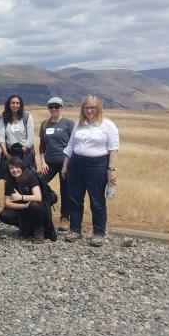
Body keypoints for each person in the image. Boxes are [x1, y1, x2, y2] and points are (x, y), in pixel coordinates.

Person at [62, 95, 119, 246]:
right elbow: (70, 145)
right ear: (83, 109)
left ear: (98, 108)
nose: (89, 110)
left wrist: (111, 169)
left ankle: (99, 233)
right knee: (74, 198)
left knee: (97, 200)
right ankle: (75, 230)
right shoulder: (78, 124)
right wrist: (65, 165)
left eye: (93, 107)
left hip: (97, 165)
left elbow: (113, 149)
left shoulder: (108, 125)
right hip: (76, 163)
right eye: (86, 107)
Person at [38, 97, 75, 231]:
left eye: (57, 106)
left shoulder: (69, 124)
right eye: (51, 106)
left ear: (61, 108)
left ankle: (65, 218)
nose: (54, 109)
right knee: (38, 183)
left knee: (66, 191)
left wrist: (66, 164)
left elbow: (72, 145)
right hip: (49, 162)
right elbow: (42, 146)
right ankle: (43, 212)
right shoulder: (44, 124)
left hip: (66, 162)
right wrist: (42, 162)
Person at [0, 157, 47, 243]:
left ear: (22, 167)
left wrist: (21, 197)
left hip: (35, 208)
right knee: (4, 215)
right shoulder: (9, 181)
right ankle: (24, 227)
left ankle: (39, 231)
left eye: (17, 167)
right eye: (11, 168)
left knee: (35, 205)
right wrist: (24, 206)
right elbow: (7, 203)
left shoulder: (30, 177)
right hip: (22, 207)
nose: (14, 170)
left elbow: (38, 197)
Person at [0, 95, 35, 170]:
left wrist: (22, 151)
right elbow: (1, 138)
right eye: (13, 103)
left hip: (25, 153)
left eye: (17, 103)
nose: (15, 105)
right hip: (9, 153)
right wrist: (6, 154)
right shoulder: (4, 119)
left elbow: (30, 137)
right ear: (9, 105)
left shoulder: (27, 118)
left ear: (20, 105)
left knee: (26, 176)